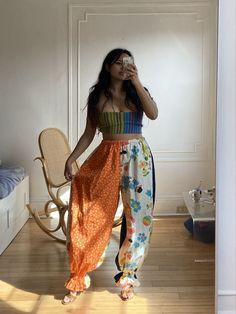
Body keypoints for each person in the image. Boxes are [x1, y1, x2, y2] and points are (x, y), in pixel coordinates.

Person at [62, 48, 158, 304]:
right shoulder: (97, 98)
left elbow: (153, 114)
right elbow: (88, 133)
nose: (123, 67)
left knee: (138, 220)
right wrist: (72, 158)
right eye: (118, 63)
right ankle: (79, 275)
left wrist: (136, 81)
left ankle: (128, 277)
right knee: (91, 214)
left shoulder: (138, 93)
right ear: (107, 67)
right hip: (106, 157)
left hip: (138, 159)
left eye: (128, 63)